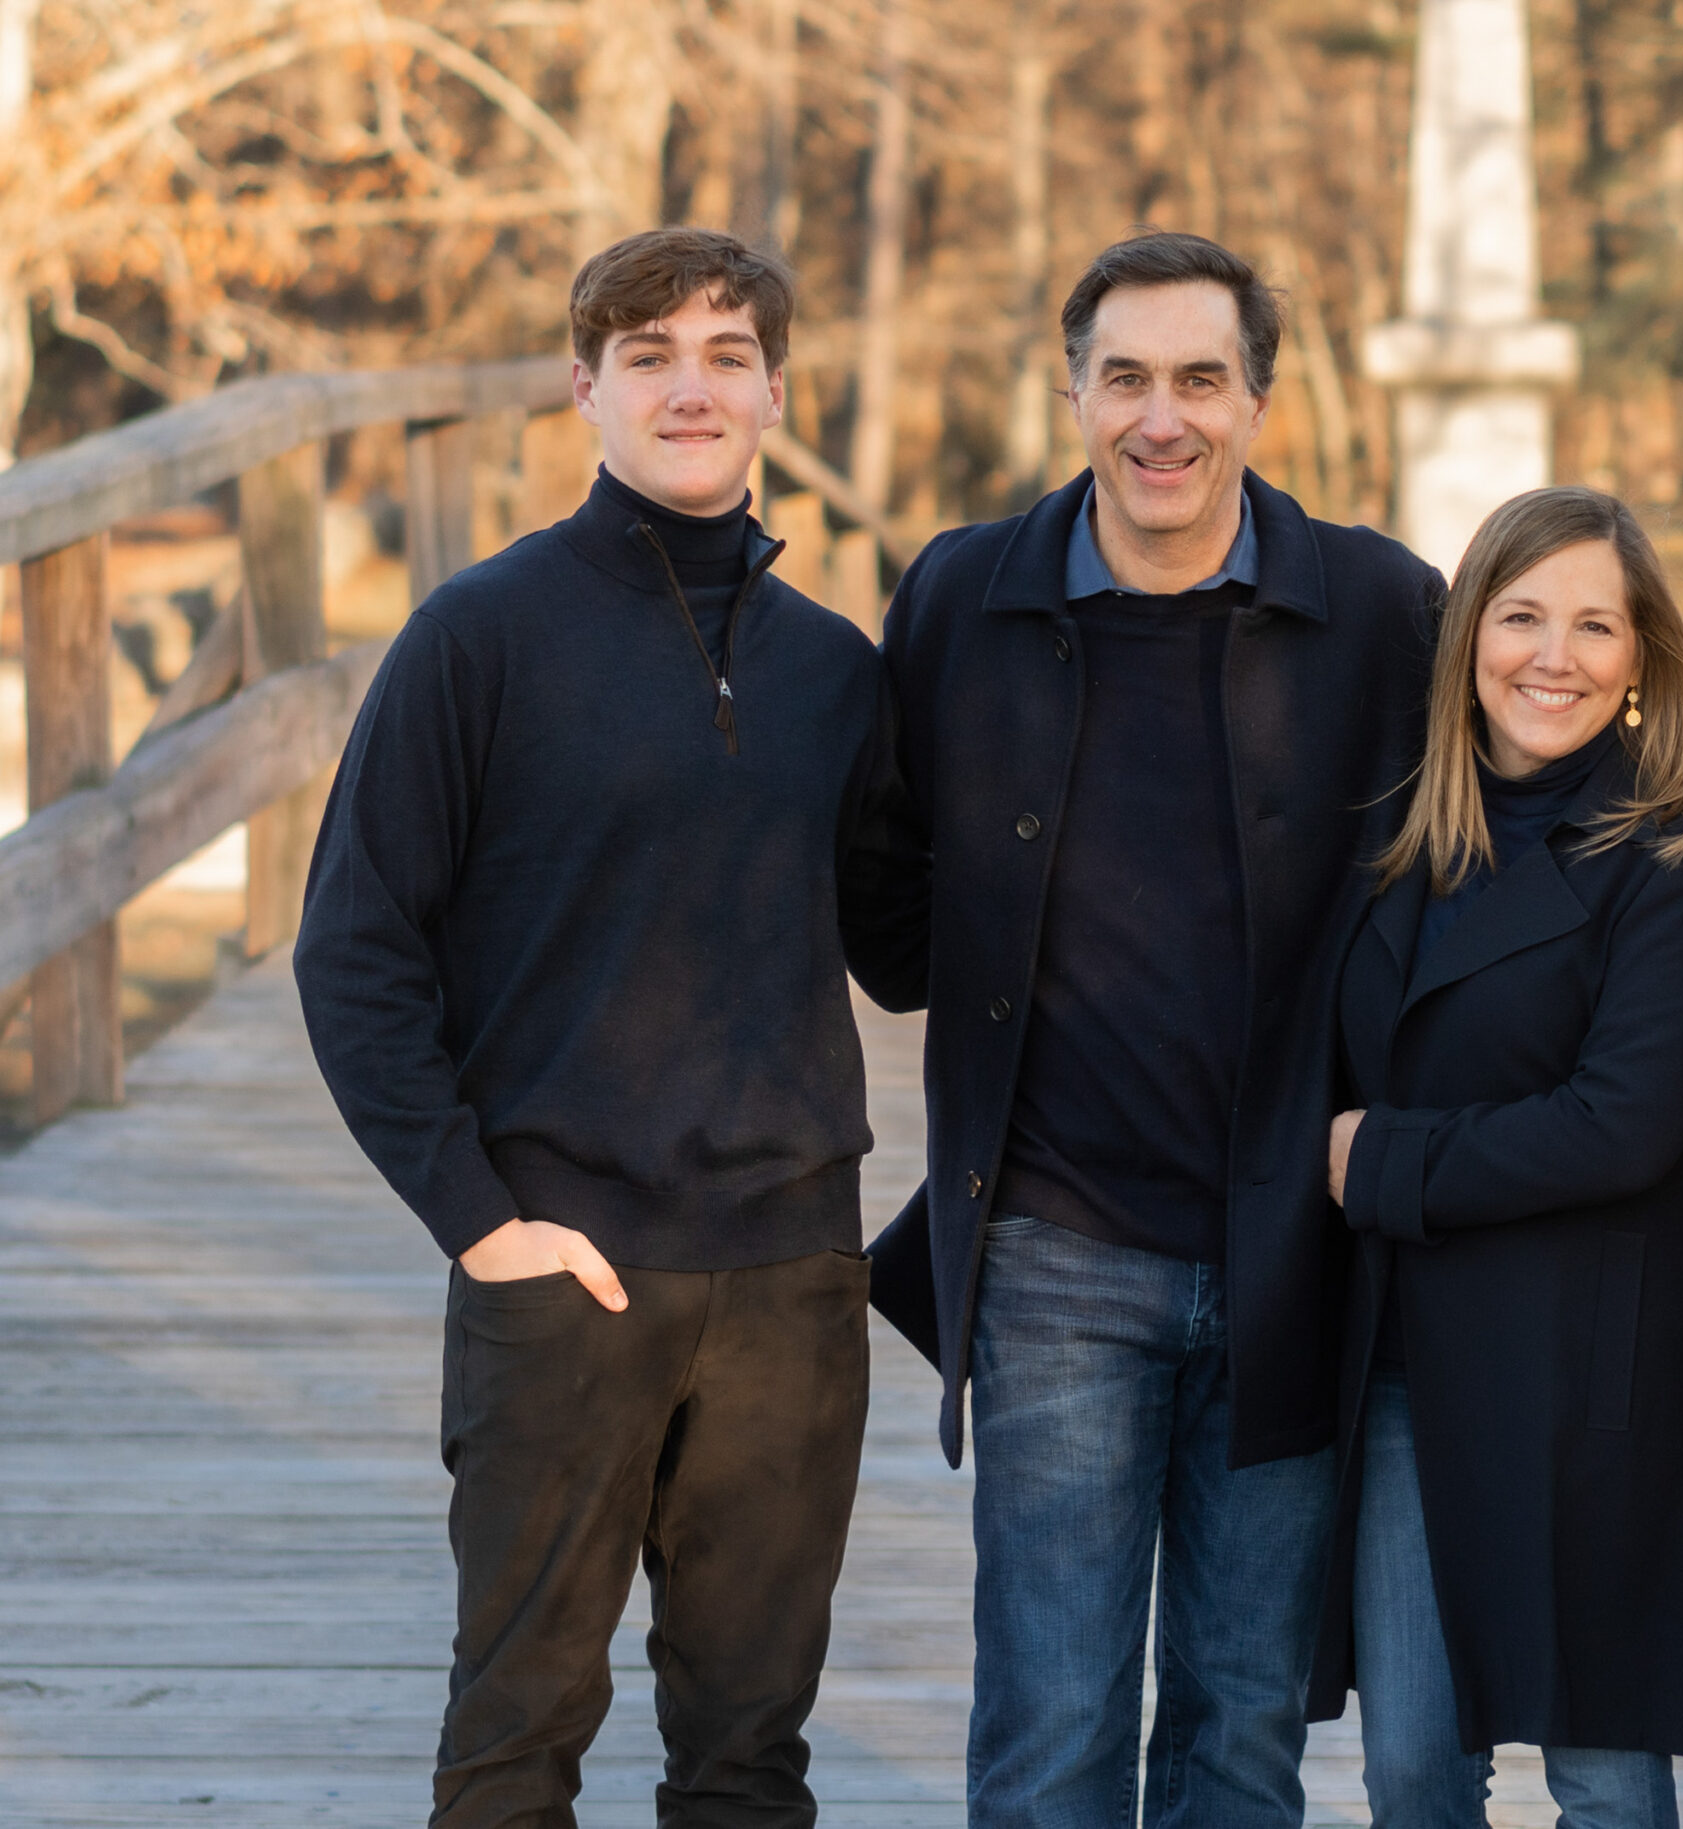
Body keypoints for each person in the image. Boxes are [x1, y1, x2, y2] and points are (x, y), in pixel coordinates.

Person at [293, 227, 926, 1828]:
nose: (690, 386)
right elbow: (353, 947)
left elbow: (911, 951)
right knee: (515, 1740)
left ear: (778, 388)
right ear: (585, 387)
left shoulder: (836, 669)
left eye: (726, 354)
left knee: (748, 1759)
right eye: (649, 355)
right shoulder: (481, 636)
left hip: (791, 1277)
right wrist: (479, 1221)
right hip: (559, 1268)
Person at [860, 230, 1442, 1828]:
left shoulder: (1384, 608)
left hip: (1292, 1252)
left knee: (1243, 1731)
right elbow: (877, 876)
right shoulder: (963, 595)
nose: (1161, 418)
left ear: (1260, 400)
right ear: (1073, 393)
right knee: (1051, 1728)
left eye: (1201, 378)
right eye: (1125, 378)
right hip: (1056, 1246)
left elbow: (1529, 788)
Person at [1310, 487, 1683, 1828]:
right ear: (1466, 636)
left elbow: (1623, 1121)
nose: (1551, 656)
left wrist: (1376, 1164)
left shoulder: (1680, 844)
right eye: (1519, 616)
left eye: (1594, 624)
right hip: (1408, 1345)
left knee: (1604, 1773)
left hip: (1595, 1350)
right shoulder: (1396, 828)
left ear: (1642, 655)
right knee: (1414, 1763)